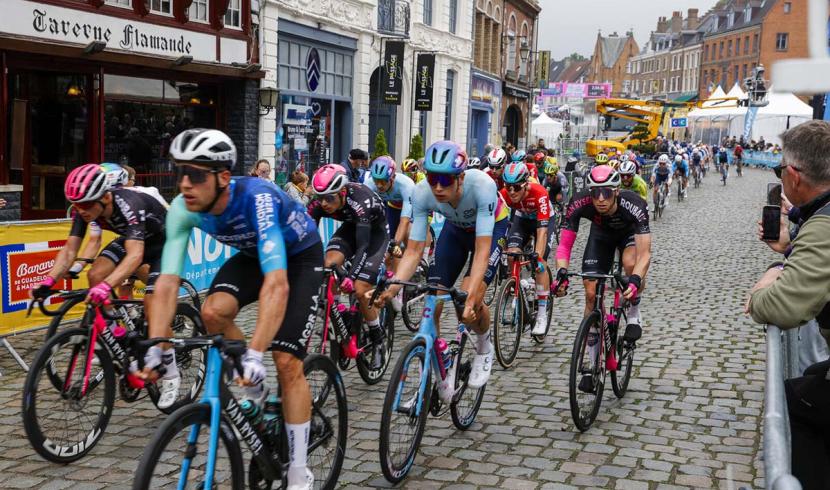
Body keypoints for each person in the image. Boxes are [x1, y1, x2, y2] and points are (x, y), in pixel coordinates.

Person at [141, 128, 321, 490]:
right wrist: (157, 344)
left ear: (223, 177)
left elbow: (277, 284)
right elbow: (166, 283)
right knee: (212, 313)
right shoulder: (182, 208)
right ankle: (256, 394)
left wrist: (256, 352)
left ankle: (300, 473)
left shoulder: (259, 197)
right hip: (254, 256)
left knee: (286, 362)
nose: (185, 184)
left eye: (195, 174)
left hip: (300, 257)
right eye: (180, 173)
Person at [375, 140, 510, 401]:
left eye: (445, 180)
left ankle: (484, 346)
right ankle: (441, 360)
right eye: (432, 178)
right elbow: (413, 251)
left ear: (460, 178)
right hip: (456, 231)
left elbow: (482, 251)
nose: (438, 187)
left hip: (492, 230)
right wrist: (392, 288)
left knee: (471, 299)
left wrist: (471, 296)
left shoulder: (482, 186)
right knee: (433, 297)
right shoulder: (423, 193)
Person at [746, 121, 830, 488]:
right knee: (812, 378)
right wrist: (788, 250)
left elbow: (782, 307)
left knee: (796, 403)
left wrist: (766, 281)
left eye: (780, 170)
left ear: (794, 176)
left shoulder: (824, 227)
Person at [552, 165, 652, 393]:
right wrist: (561, 273)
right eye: (595, 192)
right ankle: (592, 364)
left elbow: (645, 253)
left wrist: (635, 280)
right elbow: (565, 245)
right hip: (601, 237)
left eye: (606, 192)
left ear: (616, 191)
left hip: (629, 236)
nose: (600, 199)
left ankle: (634, 313)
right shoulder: (580, 202)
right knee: (590, 293)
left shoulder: (634, 204)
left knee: (629, 264)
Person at [308, 164, 389, 364]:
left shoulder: (361, 201)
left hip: (374, 235)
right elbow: (306, 237)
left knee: (360, 291)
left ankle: (378, 337)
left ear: (343, 192)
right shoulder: (318, 203)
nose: (324, 204)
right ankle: (339, 313)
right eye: (320, 198)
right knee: (328, 265)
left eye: (330, 198)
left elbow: (363, 246)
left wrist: (351, 277)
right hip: (350, 229)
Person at [500, 162, 554, 334]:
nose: (512, 192)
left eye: (516, 187)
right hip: (522, 220)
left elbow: (543, 230)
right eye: (508, 187)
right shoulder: (504, 194)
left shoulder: (539, 193)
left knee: (540, 264)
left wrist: (537, 256)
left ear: (526, 184)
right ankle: (515, 285)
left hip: (542, 221)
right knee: (511, 255)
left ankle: (542, 314)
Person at [364, 156, 416, 271]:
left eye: (383, 181)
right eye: (376, 181)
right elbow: (365, 213)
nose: (379, 185)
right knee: (388, 246)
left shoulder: (406, 185)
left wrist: (396, 244)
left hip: (411, 207)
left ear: (392, 177)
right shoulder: (369, 184)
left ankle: (414, 266)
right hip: (392, 206)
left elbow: (404, 221)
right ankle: (390, 274)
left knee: (407, 234)